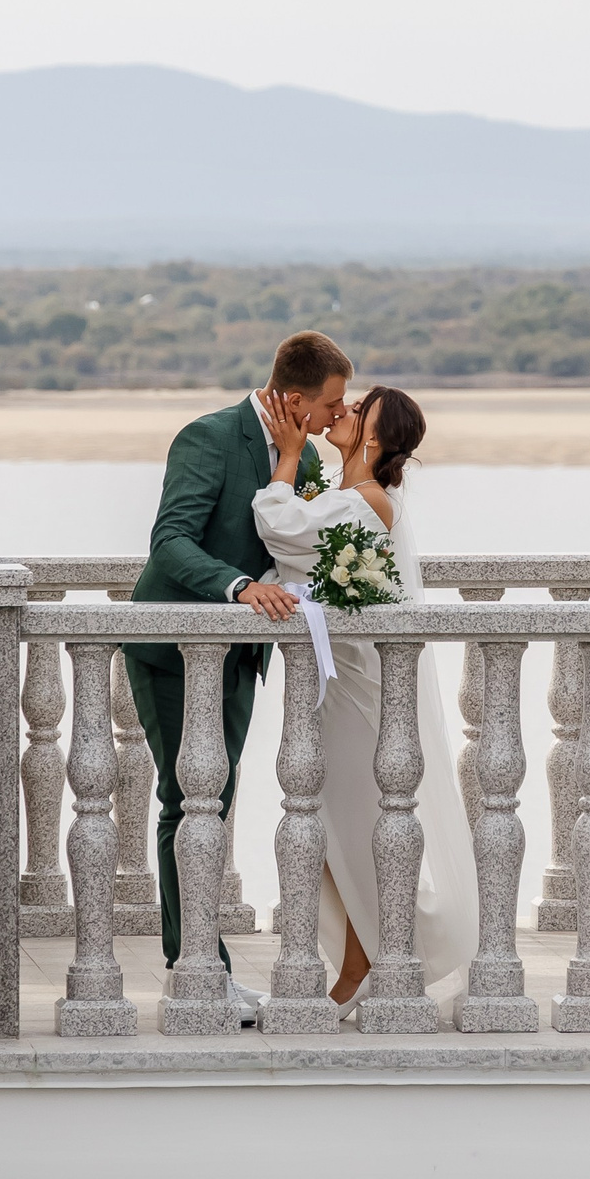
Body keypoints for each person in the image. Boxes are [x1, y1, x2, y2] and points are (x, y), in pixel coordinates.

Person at [124, 330, 350, 1023]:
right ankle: (194, 964)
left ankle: (208, 963)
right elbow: (170, 542)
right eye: (328, 404)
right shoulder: (208, 436)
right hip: (174, 647)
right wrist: (238, 585)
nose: (332, 417)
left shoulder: (303, 452)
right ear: (291, 396)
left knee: (216, 799)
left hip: (239, 657)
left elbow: (296, 536)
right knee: (184, 799)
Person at [251, 382, 477, 1015]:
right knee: (336, 832)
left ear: (372, 436)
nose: (343, 412)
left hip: (357, 695)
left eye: (356, 410)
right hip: (338, 685)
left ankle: (379, 961)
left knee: (349, 833)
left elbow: (276, 525)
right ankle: (365, 961)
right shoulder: (350, 497)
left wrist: (289, 456)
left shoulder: (369, 501)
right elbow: (300, 564)